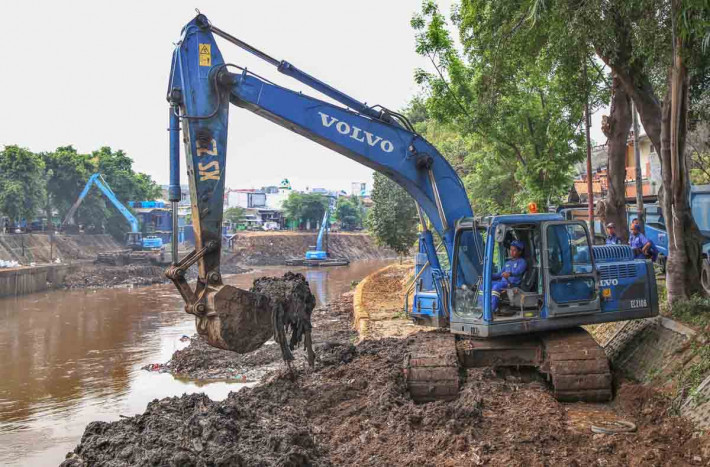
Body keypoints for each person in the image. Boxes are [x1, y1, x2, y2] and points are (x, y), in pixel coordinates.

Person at [491, 240, 527, 313]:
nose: (511, 252)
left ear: (519, 252)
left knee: (496, 287)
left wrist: (509, 274)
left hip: (511, 284)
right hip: (502, 283)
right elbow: (499, 274)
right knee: (485, 285)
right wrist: (488, 275)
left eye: (514, 250)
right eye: (511, 249)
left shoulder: (522, 262)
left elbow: (517, 272)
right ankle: (481, 307)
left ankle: (492, 309)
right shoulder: (507, 262)